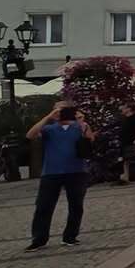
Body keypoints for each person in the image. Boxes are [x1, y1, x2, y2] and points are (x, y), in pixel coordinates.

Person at [25, 101, 95, 250]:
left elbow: (90, 140)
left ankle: (70, 236)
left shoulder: (80, 126)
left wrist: (80, 120)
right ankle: (39, 238)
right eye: (58, 110)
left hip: (77, 171)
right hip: (51, 172)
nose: (61, 113)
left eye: (64, 110)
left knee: (76, 206)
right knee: (44, 206)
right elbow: (30, 135)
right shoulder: (49, 129)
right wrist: (49, 117)